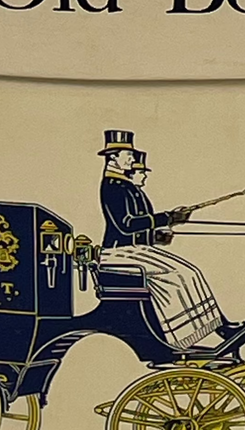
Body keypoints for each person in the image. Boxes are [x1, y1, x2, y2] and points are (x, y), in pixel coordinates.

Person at [94, 130, 237, 349]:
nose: (131, 159)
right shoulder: (112, 186)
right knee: (179, 274)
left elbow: (136, 228)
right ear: (113, 157)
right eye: (128, 155)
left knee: (190, 272)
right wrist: (168, 218)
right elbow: (126, 224)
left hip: (134, 249)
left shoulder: (125, 186)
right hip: (118, 253)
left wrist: (157, 235)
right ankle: (186, 334)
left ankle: (218, 326)